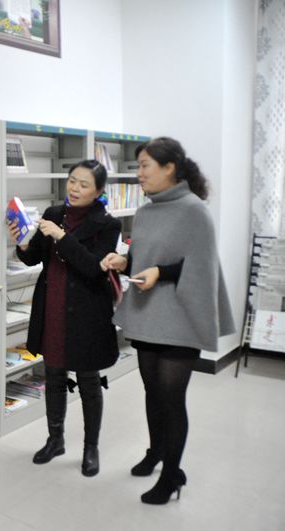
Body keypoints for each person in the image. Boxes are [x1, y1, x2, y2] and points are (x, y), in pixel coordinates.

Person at [100, 137, 235, 504]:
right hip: (148, 315)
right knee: (153, 392)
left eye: (145, 166)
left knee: (172, 399)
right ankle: (156, 451)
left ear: (169, 167)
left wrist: (160, 271)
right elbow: (143, 257)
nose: (139, 173)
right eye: (138, 166)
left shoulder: (194, 211)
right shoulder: (146, 212)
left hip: (181, 318)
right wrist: (124, 261)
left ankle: (172, 475)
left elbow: (201, 266)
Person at [9, 159, 121, 477]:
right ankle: (55, 440)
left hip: (87, 313)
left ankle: (90, 448)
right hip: (53, 307)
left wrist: (61, 236)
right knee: (54, 376)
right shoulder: (53, 213)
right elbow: (34, 257)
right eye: (72, 180)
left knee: (88, 381)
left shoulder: (107, 224)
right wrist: (22, 242)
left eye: (84, 184)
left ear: (98, 191)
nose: (74, 188)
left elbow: (93, 267)